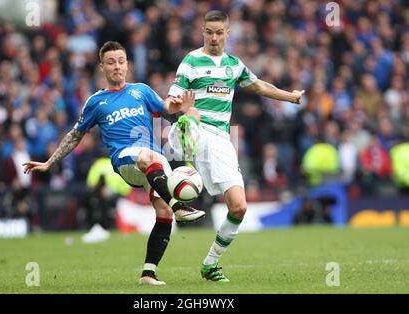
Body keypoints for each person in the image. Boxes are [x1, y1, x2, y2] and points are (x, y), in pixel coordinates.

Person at [23, 41, 205, 286]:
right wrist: (49, 162)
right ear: (102, 67)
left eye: (121, 61)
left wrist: (179, 107)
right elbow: (75, 135)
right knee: (149, 161)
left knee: (162, 212)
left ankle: (148, 273)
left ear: (127, 64)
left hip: (153, 161)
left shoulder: (142, 91)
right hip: (126, 157)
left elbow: (166, 107)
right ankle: (180, 206)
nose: (117, 66)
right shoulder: (97, 102)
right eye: (111, 62)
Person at [167, 11, 305, 282]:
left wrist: (290, 97)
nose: (214, 37)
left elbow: (260, 86)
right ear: (202, 31)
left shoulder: (234, 65)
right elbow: (173, 96)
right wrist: (178, 105)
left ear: (228, 33)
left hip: (220, 138)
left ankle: (210, 264)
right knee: (192, 116)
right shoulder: (191, 61)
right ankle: (186, 157)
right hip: (193, 125)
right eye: (209, 32)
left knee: (239, 207)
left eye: (219, 32)